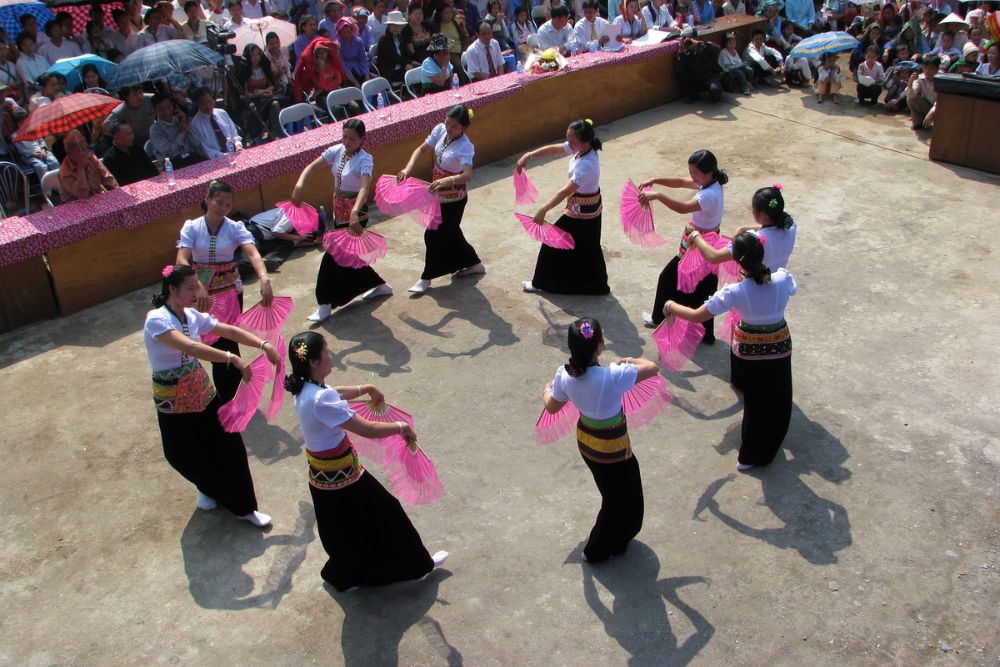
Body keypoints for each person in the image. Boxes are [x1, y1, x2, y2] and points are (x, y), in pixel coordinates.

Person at [285, 331, 448, 590]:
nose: (331, 355)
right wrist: (400, 427)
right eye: (327, 351)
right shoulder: (319, 398)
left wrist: (366, 388)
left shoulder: (303, 387)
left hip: (322, 477)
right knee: (387, 513)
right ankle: (417, 566)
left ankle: (344, 577)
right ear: (314, 361)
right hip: (344, 479)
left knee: (343, 530)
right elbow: (368, 430)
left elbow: (333, 392)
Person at [145, 264, 277, 528]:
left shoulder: (191, 316)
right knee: (180, 453)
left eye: (197, 285)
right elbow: (190, 346)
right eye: (190, 287)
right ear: (172, 290)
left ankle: (244, 507)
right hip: (172, 397)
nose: (197, 292)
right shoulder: (157, 319)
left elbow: (227, 330)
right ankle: (206, 486)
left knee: (228, 443)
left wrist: (262, 344)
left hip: (200, 390)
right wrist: (232, 358)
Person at [663, 233, 796, 471]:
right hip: (780, 346)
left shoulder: (734, 291)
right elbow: (789, 287)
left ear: (736, 260)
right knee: (779, 394)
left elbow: (697, 315)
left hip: (750, 350)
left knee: (755, 403)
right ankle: (775, 439)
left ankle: (752, 456)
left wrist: (671, 306)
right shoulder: (783, 279)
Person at [541, 318, 660, 562]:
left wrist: (546, 389)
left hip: (587, 442)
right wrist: (627, 359)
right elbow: (652, 367)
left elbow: (552, 407)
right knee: (619, 498)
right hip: (613, 447)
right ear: (599, 348)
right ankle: (595, 549)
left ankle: (617, 535)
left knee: (612, 491)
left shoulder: (564, 376)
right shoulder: (614, 375)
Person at [175, 180, 274, 400]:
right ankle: (232, 391)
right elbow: (182, 258)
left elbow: (253, 254)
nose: (223, 208)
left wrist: (264, 277)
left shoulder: (234, 227)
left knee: (227, 340)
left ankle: (230, 393)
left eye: (227, 205)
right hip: (200, 294)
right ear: (207, 199)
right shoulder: (192, 227)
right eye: (219, 202)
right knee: (212, 340)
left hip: (229, 292)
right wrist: (197, 286)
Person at [290, 119, 392, 322]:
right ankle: (381, 286)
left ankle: (325, 303)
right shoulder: (337, 151)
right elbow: (312, 167)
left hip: (355, 214)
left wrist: (354, 211)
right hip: (339, 210)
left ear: (362, 139)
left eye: (352, 139)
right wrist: (299, 185)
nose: (347, 142)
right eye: (344, 137)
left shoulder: (365, 159)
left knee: (333, 257)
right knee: (349, 258)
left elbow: (364, 187)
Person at [638, 149, 727, 339]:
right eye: (691, 172)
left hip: (699, 243)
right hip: (705, 240)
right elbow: (679, 182)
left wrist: (658, 195)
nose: (692, 177)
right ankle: (703, 333)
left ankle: (658, 318)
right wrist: (654, 179)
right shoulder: (711, 183)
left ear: (709, 172)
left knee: (668, 278)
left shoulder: (708, 195)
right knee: (703, 285)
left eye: (695, 173)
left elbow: (683, 208)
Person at [397, 104, 484, 294]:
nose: (449, 128)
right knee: (451, 233)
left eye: (454, 126)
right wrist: (408, 168)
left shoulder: (465, 147)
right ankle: (474, 263)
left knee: (433, 234)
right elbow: (421, 149)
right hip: (437, 192)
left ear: (463, 128)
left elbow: (467, 174)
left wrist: (448, 180)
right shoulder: (439, 130)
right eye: (448, 123)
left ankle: (426, 277)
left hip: (454, 198)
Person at [518, 119, 609, 295]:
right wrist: (529, 155)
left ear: (584, 142)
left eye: (571, 140)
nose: (568, 142)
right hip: (588, 206)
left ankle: (539, 283)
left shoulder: (587, 165)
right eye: (567, 138)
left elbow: (564, 192)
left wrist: (544, 208)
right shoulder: (581, 148)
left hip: (582, 211)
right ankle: (596, 284)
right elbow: (556, 149)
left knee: (552, 242)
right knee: (588, 247)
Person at [686, 185, 796, 284]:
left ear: (763, 214)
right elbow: (772, 227)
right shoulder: (790, 226)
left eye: (753, 209)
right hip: (775, 284)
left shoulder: (753, 241)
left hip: (754, 288)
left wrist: (696, 236)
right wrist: (746, 228)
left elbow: (714, 256)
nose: (752, 211)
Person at [234, 43, 283, 141]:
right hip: (252, 100)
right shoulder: (244, 71)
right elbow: (244, 94)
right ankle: (255, 134)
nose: (256, 58)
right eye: (253, 55)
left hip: (267, 97)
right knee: (268, 101)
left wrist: (264, 91)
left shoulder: (264, 66)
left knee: (275, 104)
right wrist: (260, 94)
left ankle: (275, 134)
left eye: (258, 54)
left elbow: (272, 85)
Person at [59, 130, 118, 202]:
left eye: (87, 147)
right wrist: (81, 167)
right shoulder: (65, 172)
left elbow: (109, 179)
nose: (87, 151)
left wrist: (117, 193)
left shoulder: (91, 158)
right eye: (83, 148)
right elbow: (82, 194)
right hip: (76, 207)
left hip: (98, 200)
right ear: (72, 152)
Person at [149, 92, 204, 168]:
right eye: (161, 109)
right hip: (172, 164)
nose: (166, 111)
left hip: (191, 157)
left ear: (173, 106)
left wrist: (186, 124)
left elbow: (196, 143)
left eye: (169, 107)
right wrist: (182, 133)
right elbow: (169, 151)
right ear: (155, 110)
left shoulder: (180, 119)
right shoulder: (155, 130)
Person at [293, 37, 346, 112]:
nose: (322, 55)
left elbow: (338, 80)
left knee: (354, 106)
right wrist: (320, 70)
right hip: (322, 96)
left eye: (324, 52)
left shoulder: (332, 62)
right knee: (333, 109)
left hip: (334, 91)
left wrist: (322, 89)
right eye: (319, 52)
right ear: (315, 54)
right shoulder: (313, 68)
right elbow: (320, 84)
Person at [189, 87, 242, 158]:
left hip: (234, 150)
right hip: (216, 158)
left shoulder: (222, 113)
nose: (208, 106)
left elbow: (234, 132)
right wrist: (224, 155)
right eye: (203, 104)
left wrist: (238, 144)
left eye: (209, 102)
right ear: (197, 104)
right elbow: (204, 149)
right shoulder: (195, 124)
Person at [102, 120, 160, 185]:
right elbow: (118, 184)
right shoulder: (109, 159)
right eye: (128, 134)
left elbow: (153, 171)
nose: (132, 136)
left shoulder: (138, 149)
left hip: (151, 186)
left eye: (132, 133)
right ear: (116, 137)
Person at [376, 10, 418, 86]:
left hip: (400, 68)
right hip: (390, 72)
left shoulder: (399, 38)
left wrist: (408, 64)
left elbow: (405, 54)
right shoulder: (384, 40)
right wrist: (409, 62)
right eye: (393, 25)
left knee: (417, 69)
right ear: (389, 26)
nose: (396, 27)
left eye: (398, 25)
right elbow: (394, 57)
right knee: (414, 73)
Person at [677, 33, 723, 103]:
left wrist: (698, 43)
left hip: (710, 77)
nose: (690, 44)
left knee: (715, 92)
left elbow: (718, 49)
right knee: (682, 76)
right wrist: (681, 52)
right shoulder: (687, 53)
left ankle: (716, 92)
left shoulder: (705, 47)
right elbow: (680, 70)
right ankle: (695, 96)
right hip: (698, 79)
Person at [434, 5, 470, 83]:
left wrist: (464, 49)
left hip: (461, 50)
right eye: (445, 13)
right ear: (441, 14)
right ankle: (464, 85)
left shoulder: (456, 23)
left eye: (449, 12)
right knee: (459, 66)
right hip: (449, 52)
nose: (448, 14)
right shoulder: (437, 26)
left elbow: (465, 36)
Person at [906, 54, 937, 129]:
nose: (927, 71)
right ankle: (919, 121)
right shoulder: (920, 78)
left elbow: (941, 101)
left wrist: (932, 112)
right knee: (911, 99)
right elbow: (911, 95)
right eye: (925, 68)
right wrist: (910, 84)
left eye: (930, 68)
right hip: (926, 106)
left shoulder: (941, 80)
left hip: (938, 109)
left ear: (936, 69)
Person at [335, 16, 369, 86]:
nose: (346, 34)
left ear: (352, 30)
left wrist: (366, 75)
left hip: (359, 69)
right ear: (340, 32)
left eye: (348, 32)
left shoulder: (358, 41)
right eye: (344, 32)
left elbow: (363, 59)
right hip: (346, 74)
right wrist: (354, 82)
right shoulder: (338, 45)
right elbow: (342, 64)